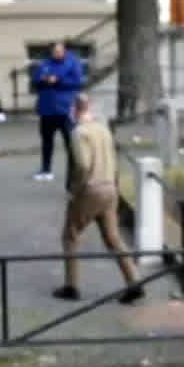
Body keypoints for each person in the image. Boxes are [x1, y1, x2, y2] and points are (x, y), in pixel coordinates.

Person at [53, 94, 144, 305]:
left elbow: (83, 165)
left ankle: (71, 286)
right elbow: (114, 161)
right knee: (113, 238)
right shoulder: (104, 130)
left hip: (90, 190)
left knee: (70, 236)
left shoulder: (78, 133)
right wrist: (115, 186)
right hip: (110, 188)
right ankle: (134, 281)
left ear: (75, 110)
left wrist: (76, 189)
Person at [31, 40, 83, 181]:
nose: (57, 54)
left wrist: (58, 80)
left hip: (65, 110)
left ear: (64, 50)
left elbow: (77, 81)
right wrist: (42, 79)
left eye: (59, 51)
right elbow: (35, 78)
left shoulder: (72, 63)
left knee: (70, 143)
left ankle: (75, 171)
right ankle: (46, 169)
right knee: (46, 141)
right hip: (47, 110)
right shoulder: (45, 63)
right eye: (54, 51)